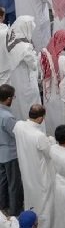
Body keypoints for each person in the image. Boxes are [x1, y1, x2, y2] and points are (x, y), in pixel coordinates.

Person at [14, 106, 56, 228]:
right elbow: (49, 153)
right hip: (40, 175)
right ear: (40, 118)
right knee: (44, 203)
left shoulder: (19, 125)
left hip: (26, 171)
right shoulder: (39, 136)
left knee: (31, 199)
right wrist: (51, 140)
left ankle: (29, 224)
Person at [5, 17, 41, 119]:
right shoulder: (24, 47)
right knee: (30, 106)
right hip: (27, 81)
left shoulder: (11, 39)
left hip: (16, 79)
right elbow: (33, 65)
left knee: (19, 104)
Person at [0, 84, 21, 217]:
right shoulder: (7, 117)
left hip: (1, 153)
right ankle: (15, 211)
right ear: (8, 99)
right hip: (10, 154)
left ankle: (2, 206)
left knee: (2, 181)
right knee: (14, 184)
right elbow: (16, 134)